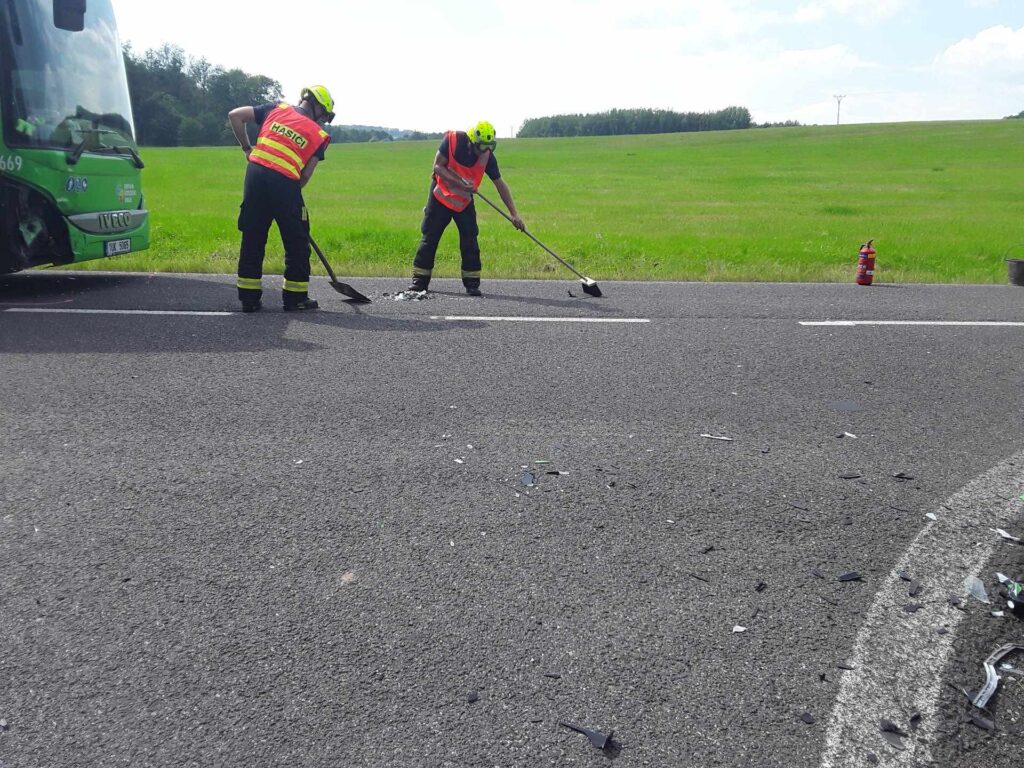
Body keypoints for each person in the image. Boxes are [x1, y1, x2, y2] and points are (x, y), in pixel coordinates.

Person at [228, 86, 335, 312]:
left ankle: (249, 299)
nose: (323, 121)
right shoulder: (318, 135)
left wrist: (247, 149)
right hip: (285, 183)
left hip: (255, 176)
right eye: (324, 115)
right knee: (297, 241)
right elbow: (305, 175)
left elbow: (235, 115)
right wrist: (289, 196)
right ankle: (295, 299)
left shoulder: (275, 109)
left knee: (253, 236)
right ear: (317, 107)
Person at [408, 120, 524, 296]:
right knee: (430, 236)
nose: (485, 151)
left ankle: (472, 283)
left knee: (470, 238)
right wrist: (459, 183)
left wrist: (514, 214)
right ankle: (420, 281)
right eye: (482, 146)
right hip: (440, 196)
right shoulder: (452, 141)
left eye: (489, 146)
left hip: (463, 202)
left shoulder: (487, 156)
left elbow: (500, 184)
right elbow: (437, 167)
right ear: (471, 141)